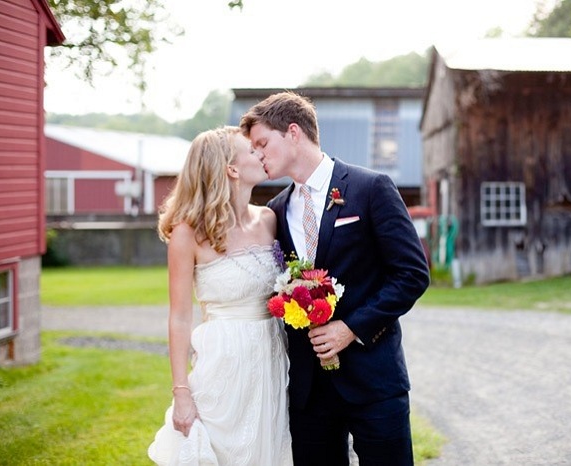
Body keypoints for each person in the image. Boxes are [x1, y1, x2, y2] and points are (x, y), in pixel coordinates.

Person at [240, 92, 431, 466]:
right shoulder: (275, 211)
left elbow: (411, 274)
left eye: (262, 143)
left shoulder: (370, 188)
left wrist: (351, 328)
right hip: (310, 393)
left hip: (374, 379)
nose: (258, 154)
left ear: (293, 132)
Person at [147, 126, 293, 465]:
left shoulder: (270, 219)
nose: (261, 153)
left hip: (272, 357)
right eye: (252, 149)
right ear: (232, 169)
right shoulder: (188, 234)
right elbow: (180, 317)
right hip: (223, 364)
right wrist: (181, 392)